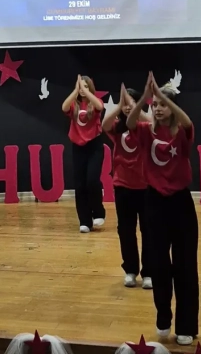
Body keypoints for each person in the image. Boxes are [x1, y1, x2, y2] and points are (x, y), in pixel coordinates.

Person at [126, 72, 198, 347]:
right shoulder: (146, 131)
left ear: (173, 107)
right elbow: (130, 122)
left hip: (181, 203)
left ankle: (186, 325)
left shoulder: (183, 133)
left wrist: (166, 96)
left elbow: (187, 122)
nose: (157, 108)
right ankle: (163, 315)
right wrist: (146, 96)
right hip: (154, 202)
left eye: (163, 104)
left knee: (185, 265)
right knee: (158, 263)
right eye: (155, 105)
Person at [103, 83, 152, 289]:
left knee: (149, 230)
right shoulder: (117, 128)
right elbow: (104, 124)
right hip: (123, 186)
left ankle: (149, 273)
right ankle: (131, 270)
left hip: (146, 186)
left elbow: (152, 122)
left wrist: (135, 107)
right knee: (126, 230)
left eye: (131, 103)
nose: (127, 106)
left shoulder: (145, 127)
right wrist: (120, 105)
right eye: (124, 103)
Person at [62, 74, 106, 232]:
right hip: (78, 147)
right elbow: (64, 107)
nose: (82, 90)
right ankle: (85, 221)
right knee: (80, 185)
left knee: (92, 181)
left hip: (94, 146)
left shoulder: (94, 103)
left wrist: (87, 91)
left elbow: (100, 106)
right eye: (80, 86)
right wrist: (76, 90)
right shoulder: (74, 105)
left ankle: (98, 212)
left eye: (86, 86)